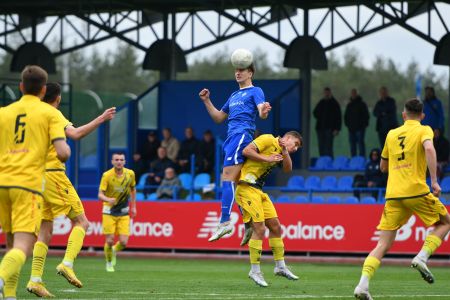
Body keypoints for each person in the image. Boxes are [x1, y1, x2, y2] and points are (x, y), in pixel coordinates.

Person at [26, 83, 116, 297]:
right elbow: (75, 134)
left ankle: (35, 280)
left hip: (36, 177)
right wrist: (101, 119)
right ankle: (67, 263)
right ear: (57, 99)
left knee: (45, 231)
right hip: (54, 175)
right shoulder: (53, 114)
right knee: (82, 222)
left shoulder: (32, 115)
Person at [354, 99, 450, 300]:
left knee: (382, 245)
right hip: (416, 191)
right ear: (422, 115)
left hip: (393, 195)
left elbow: (382, 167)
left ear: (403, 114)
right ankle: (422, 257)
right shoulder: (425, 130)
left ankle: (362, 285)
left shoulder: (391, 134)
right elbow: (430, 149)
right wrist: (434, 181)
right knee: (445, 222)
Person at [0, 66, 71, 299]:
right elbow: (62, 153)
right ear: (43, 90)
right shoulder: (48, 114)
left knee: (10, 246)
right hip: (27, 185)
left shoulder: (4, 113)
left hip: (2, 184)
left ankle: (9, 295)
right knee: (23, 246)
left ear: (21, 87)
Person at [199, 58, 271, 242]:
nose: (238, 73)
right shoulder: (233, 96)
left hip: (241, 136)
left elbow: (261, 111)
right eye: (236, 70)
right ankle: (248, 224)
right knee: (239, 183)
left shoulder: (256, 91)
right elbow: (218, 118)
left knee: (227, 178)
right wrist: (206, 101)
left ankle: (225, 223)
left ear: (250, 73)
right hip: (231, 138)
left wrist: (264, 111)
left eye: (242, 70)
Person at [235, 131, 302, 286]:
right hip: (246, 187)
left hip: (258, 190)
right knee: (260, 229)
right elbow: (246, 151)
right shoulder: (267, 139)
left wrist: (285, 151)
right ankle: (255, 271)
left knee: (276, 227)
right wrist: (267, 158)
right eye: (296, 144)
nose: (296, 148)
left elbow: (287, 169)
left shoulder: (280, 150)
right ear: (288, 138)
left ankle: (280, 267)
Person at [98, 153, 137, 272]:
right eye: (116, 159)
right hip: (109, 210)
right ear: (112, 161)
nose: (119, 161)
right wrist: (108, 199)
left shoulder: (130, 174)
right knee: (109, 240)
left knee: (124, 242)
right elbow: (100, 195)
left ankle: (114, 250)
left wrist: (134, 207)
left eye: (121, 160)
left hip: (124, 211)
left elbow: (133, 189)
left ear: (124, 162)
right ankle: (109, 262)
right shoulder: (107, 175)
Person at [313, 87, 342, 157]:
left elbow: (339, 117)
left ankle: (329, 162)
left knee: (328, 146)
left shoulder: (334, 103)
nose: (326, 94)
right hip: (320, 128)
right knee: (321, 146)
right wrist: (321, 115)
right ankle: (322, 161)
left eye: (327, 93)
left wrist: (337, 129)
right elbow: (315, 113)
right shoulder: (321, 102)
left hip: (330, 129)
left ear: (330, 93)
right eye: (325, 93)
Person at [344, 88, 369, 157]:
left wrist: (364, 125)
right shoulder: (349, 105)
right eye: (352, 93)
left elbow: (366, 116)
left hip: (360, 128)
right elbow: (346, 116)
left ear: (357, 94)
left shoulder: (362, 104)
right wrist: (347, 125)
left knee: (360, 144)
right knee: (352, 145)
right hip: (351, 129)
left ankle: (362, 159)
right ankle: (353, 160)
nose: (353, 94)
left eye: (354, 93)